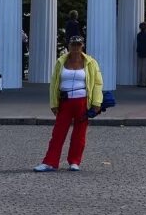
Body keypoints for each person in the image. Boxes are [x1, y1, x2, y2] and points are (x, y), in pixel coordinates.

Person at [34, 37, 103, 172]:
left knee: (79, 133)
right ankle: (50, 161)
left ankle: (75, 161)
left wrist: (96, 102)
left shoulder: (90, 62)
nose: (76, 48)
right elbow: (54, 83)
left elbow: (97, 83)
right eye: (73, 45)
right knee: (58, 132)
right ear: (69, 46)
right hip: (64, 101)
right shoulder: (61, 61)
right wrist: (54, 103)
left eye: (78, 44)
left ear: (82, 46)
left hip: (82, 100)